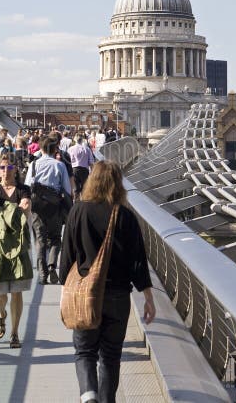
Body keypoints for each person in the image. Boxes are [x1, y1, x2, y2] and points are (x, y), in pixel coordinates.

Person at [60, 161, 156, 403]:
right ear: (118, 184)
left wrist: (65, 290)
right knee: (111, 356)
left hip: (85, 296)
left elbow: (67, 258)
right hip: (117, 296)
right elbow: (138, 263)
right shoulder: (125, 216)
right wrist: (148, 298)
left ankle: (88, 396)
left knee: (84, 351)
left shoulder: (78, 211)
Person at [0, 153, 33, 349]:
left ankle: (14, 333)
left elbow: (25, 209)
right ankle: (2, 314)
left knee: (17, 291)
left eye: (10, 167)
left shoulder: (24, 189)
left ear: (16, 170)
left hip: (20, 244)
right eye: (2, 167)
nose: (5, 171)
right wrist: (10, 213)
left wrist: (0, 214)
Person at [24, 136, 72, 285]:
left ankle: (42, 274)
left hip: (37, 208)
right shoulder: (59, 165)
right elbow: (67, 189)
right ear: (54, 149)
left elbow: (27, 185)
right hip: (55, 207)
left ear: (41, 149)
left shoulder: (33, 165)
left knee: (40, 240)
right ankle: (52, 264)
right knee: (56, 238)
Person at [69, 135, 95, 200]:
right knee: (84, 189)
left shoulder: (70, 149)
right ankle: (83, 202)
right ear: (82, 140)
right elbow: (91, 162)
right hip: (84, 170)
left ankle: (76, 203)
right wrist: (92, 173)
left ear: (75, 140)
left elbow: (68, 161)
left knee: (76, 189)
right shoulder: (87, 149)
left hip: (74, 169)